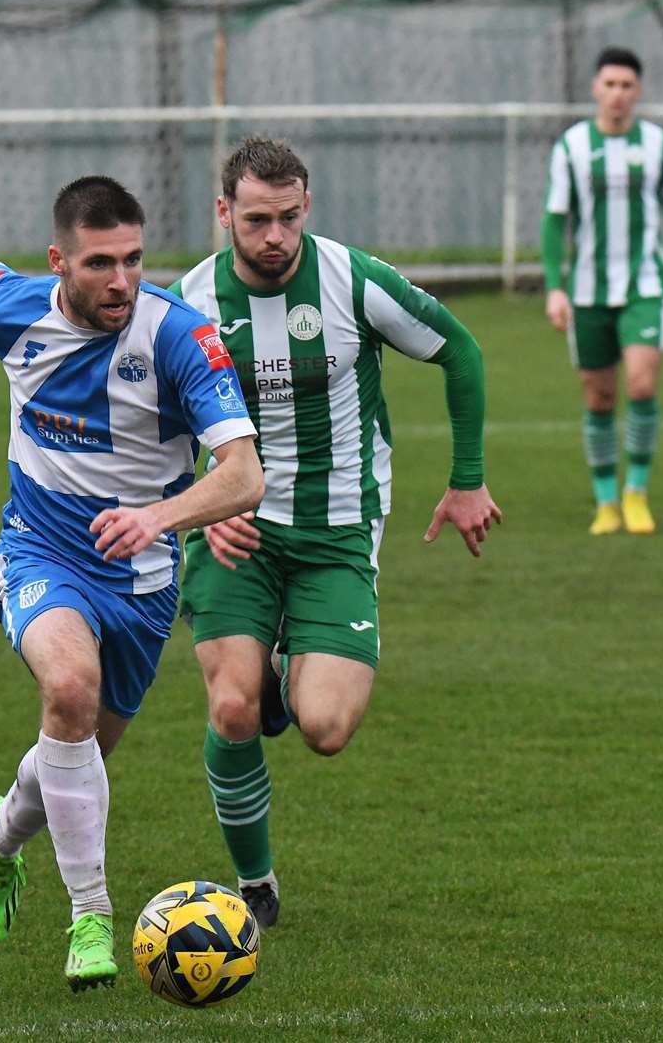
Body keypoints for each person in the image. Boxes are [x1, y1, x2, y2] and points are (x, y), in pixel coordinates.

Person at [0, 176, 264, 990]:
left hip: (143, 582)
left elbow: (244, 477)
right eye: (100, 263)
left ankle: (0, 839)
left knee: (78, 752)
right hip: (39, 550)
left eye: (133, 260)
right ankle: (91, 918)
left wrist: (159, 518)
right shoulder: (14, 303)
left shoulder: (180, 337)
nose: (121, 282)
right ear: (59, 260)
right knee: (67, 689)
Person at [168, 137, 500, 928]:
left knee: (325, 727)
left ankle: (288, 664)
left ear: (305, 206)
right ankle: (255, 887)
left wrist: (467, 480)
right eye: (255, 220)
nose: (274, 235)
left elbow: (460, 349)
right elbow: (158, 425)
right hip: (233, 533)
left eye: (287, 217)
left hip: (339, 530)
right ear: (224, 214)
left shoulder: (354, 281)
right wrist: (194, 508)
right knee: (231, 709)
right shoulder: (190, 303)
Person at [542, 47, 663, 537]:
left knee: (641, 384)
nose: (617, 94)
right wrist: (554, 287)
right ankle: (606, 500)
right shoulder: (570, 147)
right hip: (588, 288)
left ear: (639, 91)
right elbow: (554, 223)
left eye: (626, 85)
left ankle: (636, 492)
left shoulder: (658, 145)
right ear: (595, 88)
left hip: (645, 284)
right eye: (609, 84)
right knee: (599, 395)